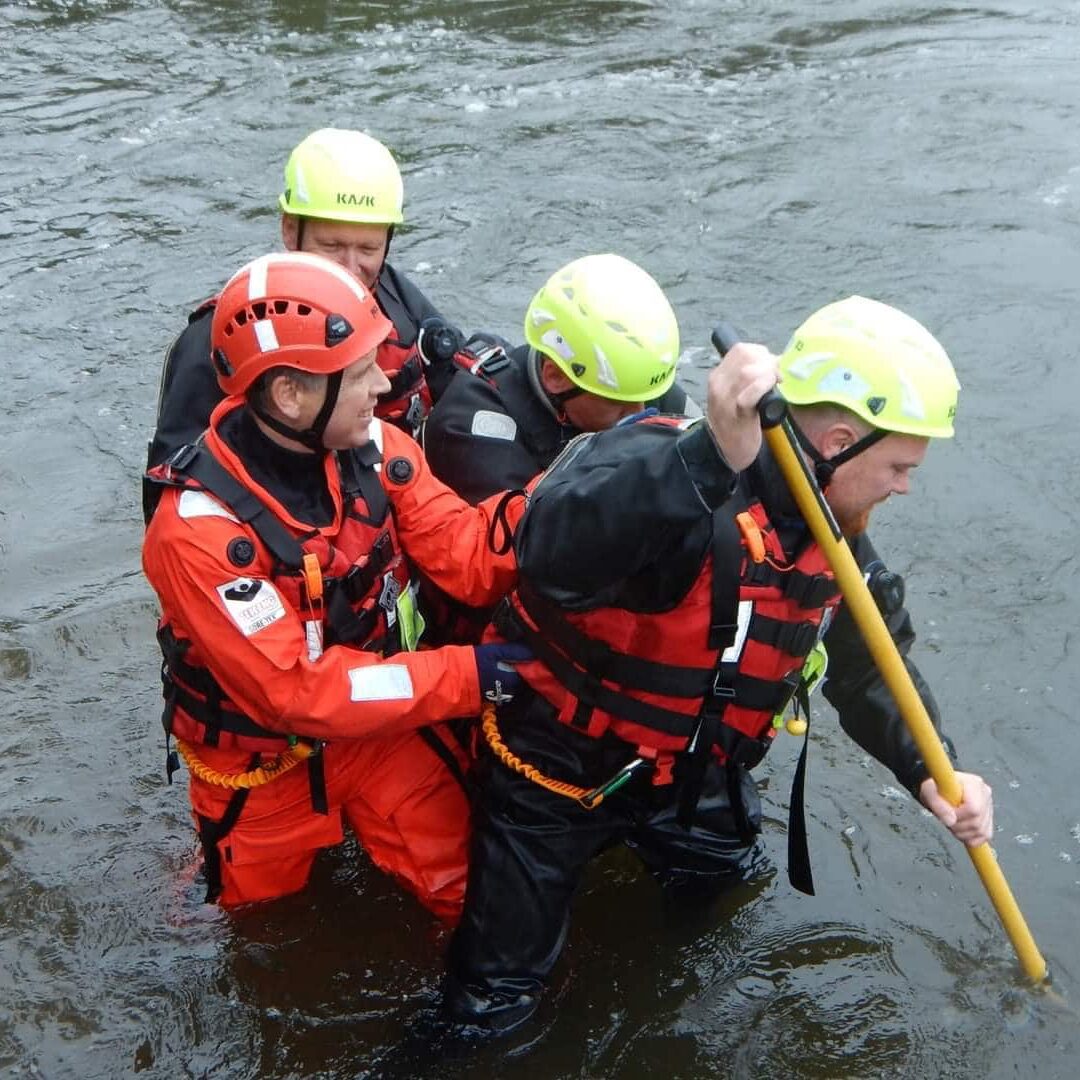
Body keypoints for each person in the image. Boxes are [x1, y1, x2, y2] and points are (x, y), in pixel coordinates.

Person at [442, 295, 994, 1029]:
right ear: (836, 441)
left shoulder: (841, 549)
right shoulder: (670, 470)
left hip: (696, 776)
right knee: (494, 1004)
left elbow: (871, 677)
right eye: (898, 464)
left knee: (722, 900)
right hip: (557, 771)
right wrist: (707, 458)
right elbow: (551, 555)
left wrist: (935, 769)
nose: (905, 486)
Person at [142, 251, 528, 918]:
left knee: (473, 899)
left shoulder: (377, 450)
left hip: (381, 735)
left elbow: (467, 554)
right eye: (360, 374)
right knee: (258, 931)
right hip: (259, 770)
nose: (384, 385)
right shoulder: (196, 534)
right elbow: (298, 691)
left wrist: (565, 507)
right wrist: (472, 676)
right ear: (292, 395)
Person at [144, 127, 462, 523]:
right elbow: (174, 505)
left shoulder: (397, 300)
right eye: (331, 247)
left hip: (399, 517)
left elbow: (464, 386)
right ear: (291, 230)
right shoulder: (226, 338)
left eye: (368, 248)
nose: (349, 269)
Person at [422, 253, 702, 506]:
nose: (641, 415)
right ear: (556, 377)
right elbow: (532, 550)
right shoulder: (471, 433)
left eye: (645, 397)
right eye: (619, 405)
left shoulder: (634, 383)